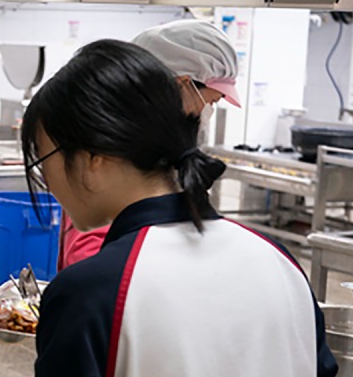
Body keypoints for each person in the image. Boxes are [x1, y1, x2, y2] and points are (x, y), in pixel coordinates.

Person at [16, 39, 337, 377]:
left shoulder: (95, 291)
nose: (47, 179)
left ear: (95, 156)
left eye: (45, 157)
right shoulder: (279, 262)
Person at [58, 18, 240, 270]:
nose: (207, 112)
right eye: (212, 101)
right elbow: (89, 256)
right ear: (182, 86)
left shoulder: (154, 148)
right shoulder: (117, 152)